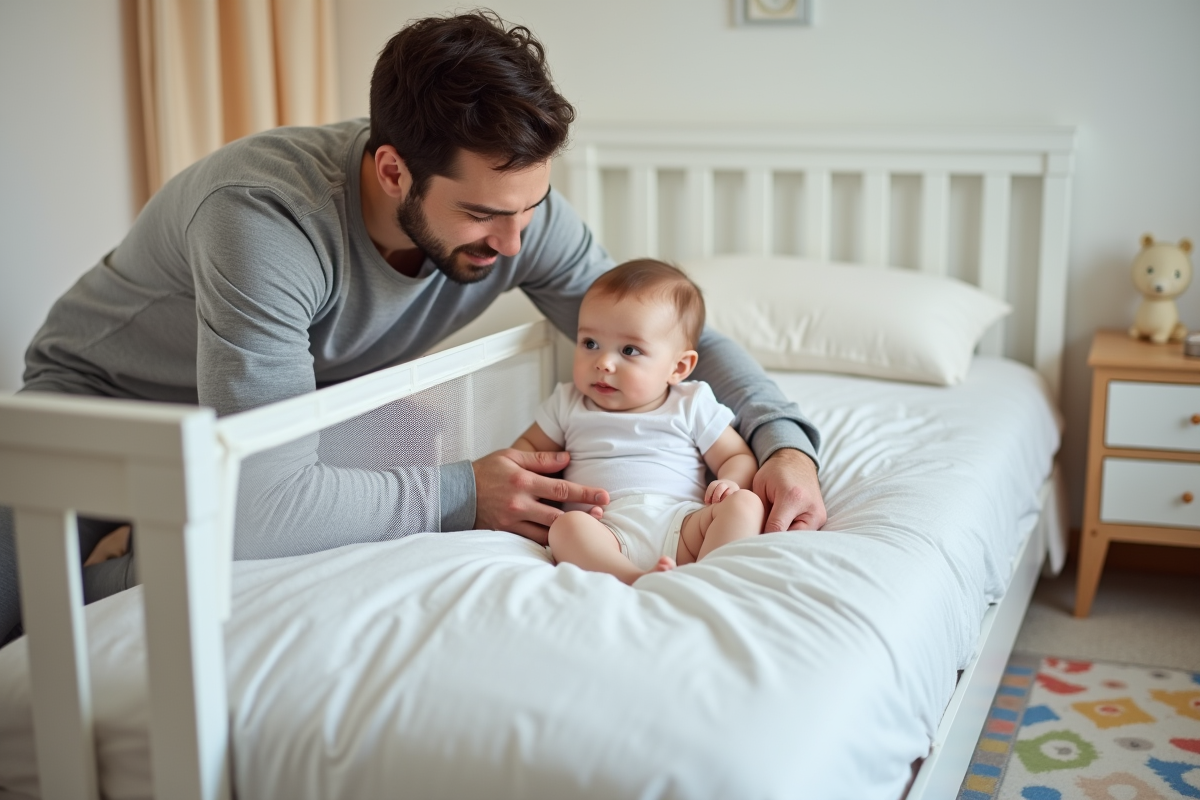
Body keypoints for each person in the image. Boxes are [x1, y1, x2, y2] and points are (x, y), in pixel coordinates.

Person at [0, 11, 825, 645]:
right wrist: (468, 489)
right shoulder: (262, 219)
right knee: (17, 620)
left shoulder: (519, 216)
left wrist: (782, 439)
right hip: (99, 420)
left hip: (285, 416)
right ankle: (112, 561)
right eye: (481, 215)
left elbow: (668, 336)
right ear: (393, 169)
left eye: (530, 210)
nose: (512, 246)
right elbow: (267, 502)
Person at [514, 260, 766, 584]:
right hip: (605, 530)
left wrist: (731, 481)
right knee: (566, 527)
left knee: (746, 504)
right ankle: (633, 577)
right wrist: (525, 480)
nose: (603, 363)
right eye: (590, 343)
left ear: (678, 367)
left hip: (685, 524)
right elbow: (527, 451)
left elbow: (737, 456)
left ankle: (710, 577)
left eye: (629, 350)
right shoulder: (566, 403)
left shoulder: (691, 403)